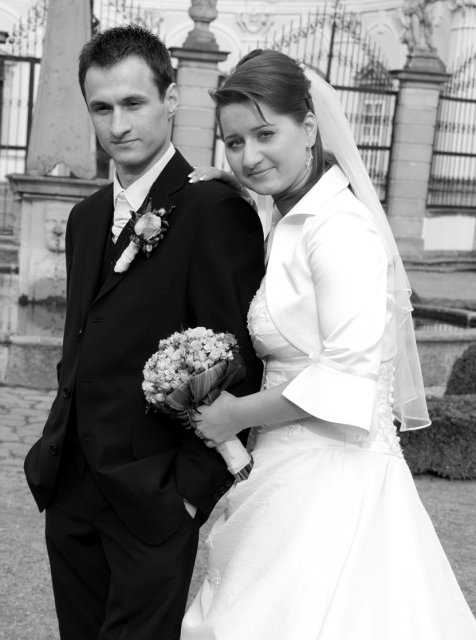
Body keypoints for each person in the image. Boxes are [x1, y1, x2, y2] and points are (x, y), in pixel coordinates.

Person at [182, 49, 476, 639]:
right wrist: (240, 191)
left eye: (266, 134)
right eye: (234, 142)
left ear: (310, 127)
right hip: (284, 468)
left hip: (335, 480)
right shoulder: (292, 216)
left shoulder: (341, 229)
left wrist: (234, 414)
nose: (249, 156)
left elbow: (348, 376)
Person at [23, 26, 264, 640]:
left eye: (133, 103)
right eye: (101, 108)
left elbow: (240, 360)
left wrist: (187, 495)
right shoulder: (84, 219)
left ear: (171, 99)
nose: (118, 124)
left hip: (153, 500)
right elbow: (83, 342)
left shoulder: (215, 210)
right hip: (70, 491)